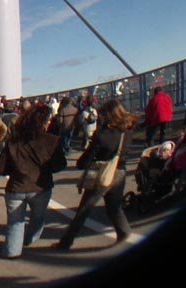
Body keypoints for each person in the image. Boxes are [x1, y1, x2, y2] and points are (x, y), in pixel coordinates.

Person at [54, 99, 136, 250]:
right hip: (120, 172)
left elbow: (89, 156)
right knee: (114, 207)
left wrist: (81, 164)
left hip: (102, 173)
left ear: (108, 115)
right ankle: (124, 232)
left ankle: (66, 242)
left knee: (84, 209)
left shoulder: (103, 134)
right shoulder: (128, 130)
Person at [0, 104, 66, 258]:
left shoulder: (14, 141)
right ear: (45, 122)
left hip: (16, 187)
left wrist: (14, 168)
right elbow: (60, 164)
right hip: (41, 187)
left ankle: (12, 252)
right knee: (38, 218)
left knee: (15, 224)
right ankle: (30, 239)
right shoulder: (52, 141)